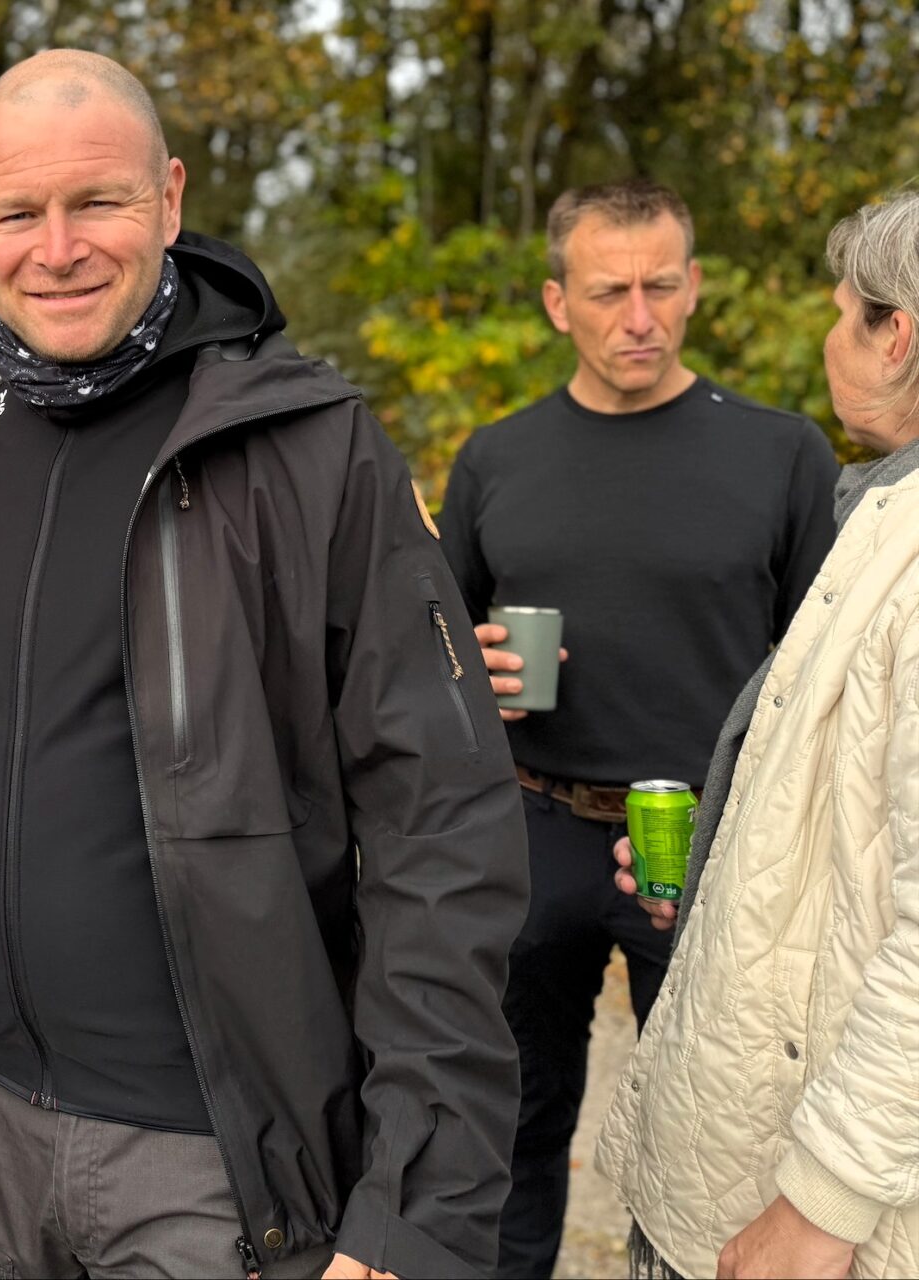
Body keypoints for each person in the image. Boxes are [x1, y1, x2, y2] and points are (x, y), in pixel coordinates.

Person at [0, 50, 528, 1280]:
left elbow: (445, 827)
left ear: (168, 197)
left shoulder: (313, 451)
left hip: (220, 1163)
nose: (56, 248)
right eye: (17, 212)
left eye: (96, 202)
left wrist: (412, 1209)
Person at [436, 178, 841, 1278]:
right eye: (609, 290)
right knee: (512, 1126)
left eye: (662, 285)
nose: (640, 317)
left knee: (716, 1138)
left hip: (713, 841)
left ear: (696, 286)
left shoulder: (783, 452)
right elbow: (429, 655)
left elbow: (826, 676)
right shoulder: (495, 457)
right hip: (534, 824)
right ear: (557, 301)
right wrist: (470, 666)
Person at [595, 191, 919, 1279]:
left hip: (814, 1213)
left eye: (842, 311)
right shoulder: (881, 508)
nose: (830, 336)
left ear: (898, 333)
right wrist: (724, 878)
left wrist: (819, 1206)